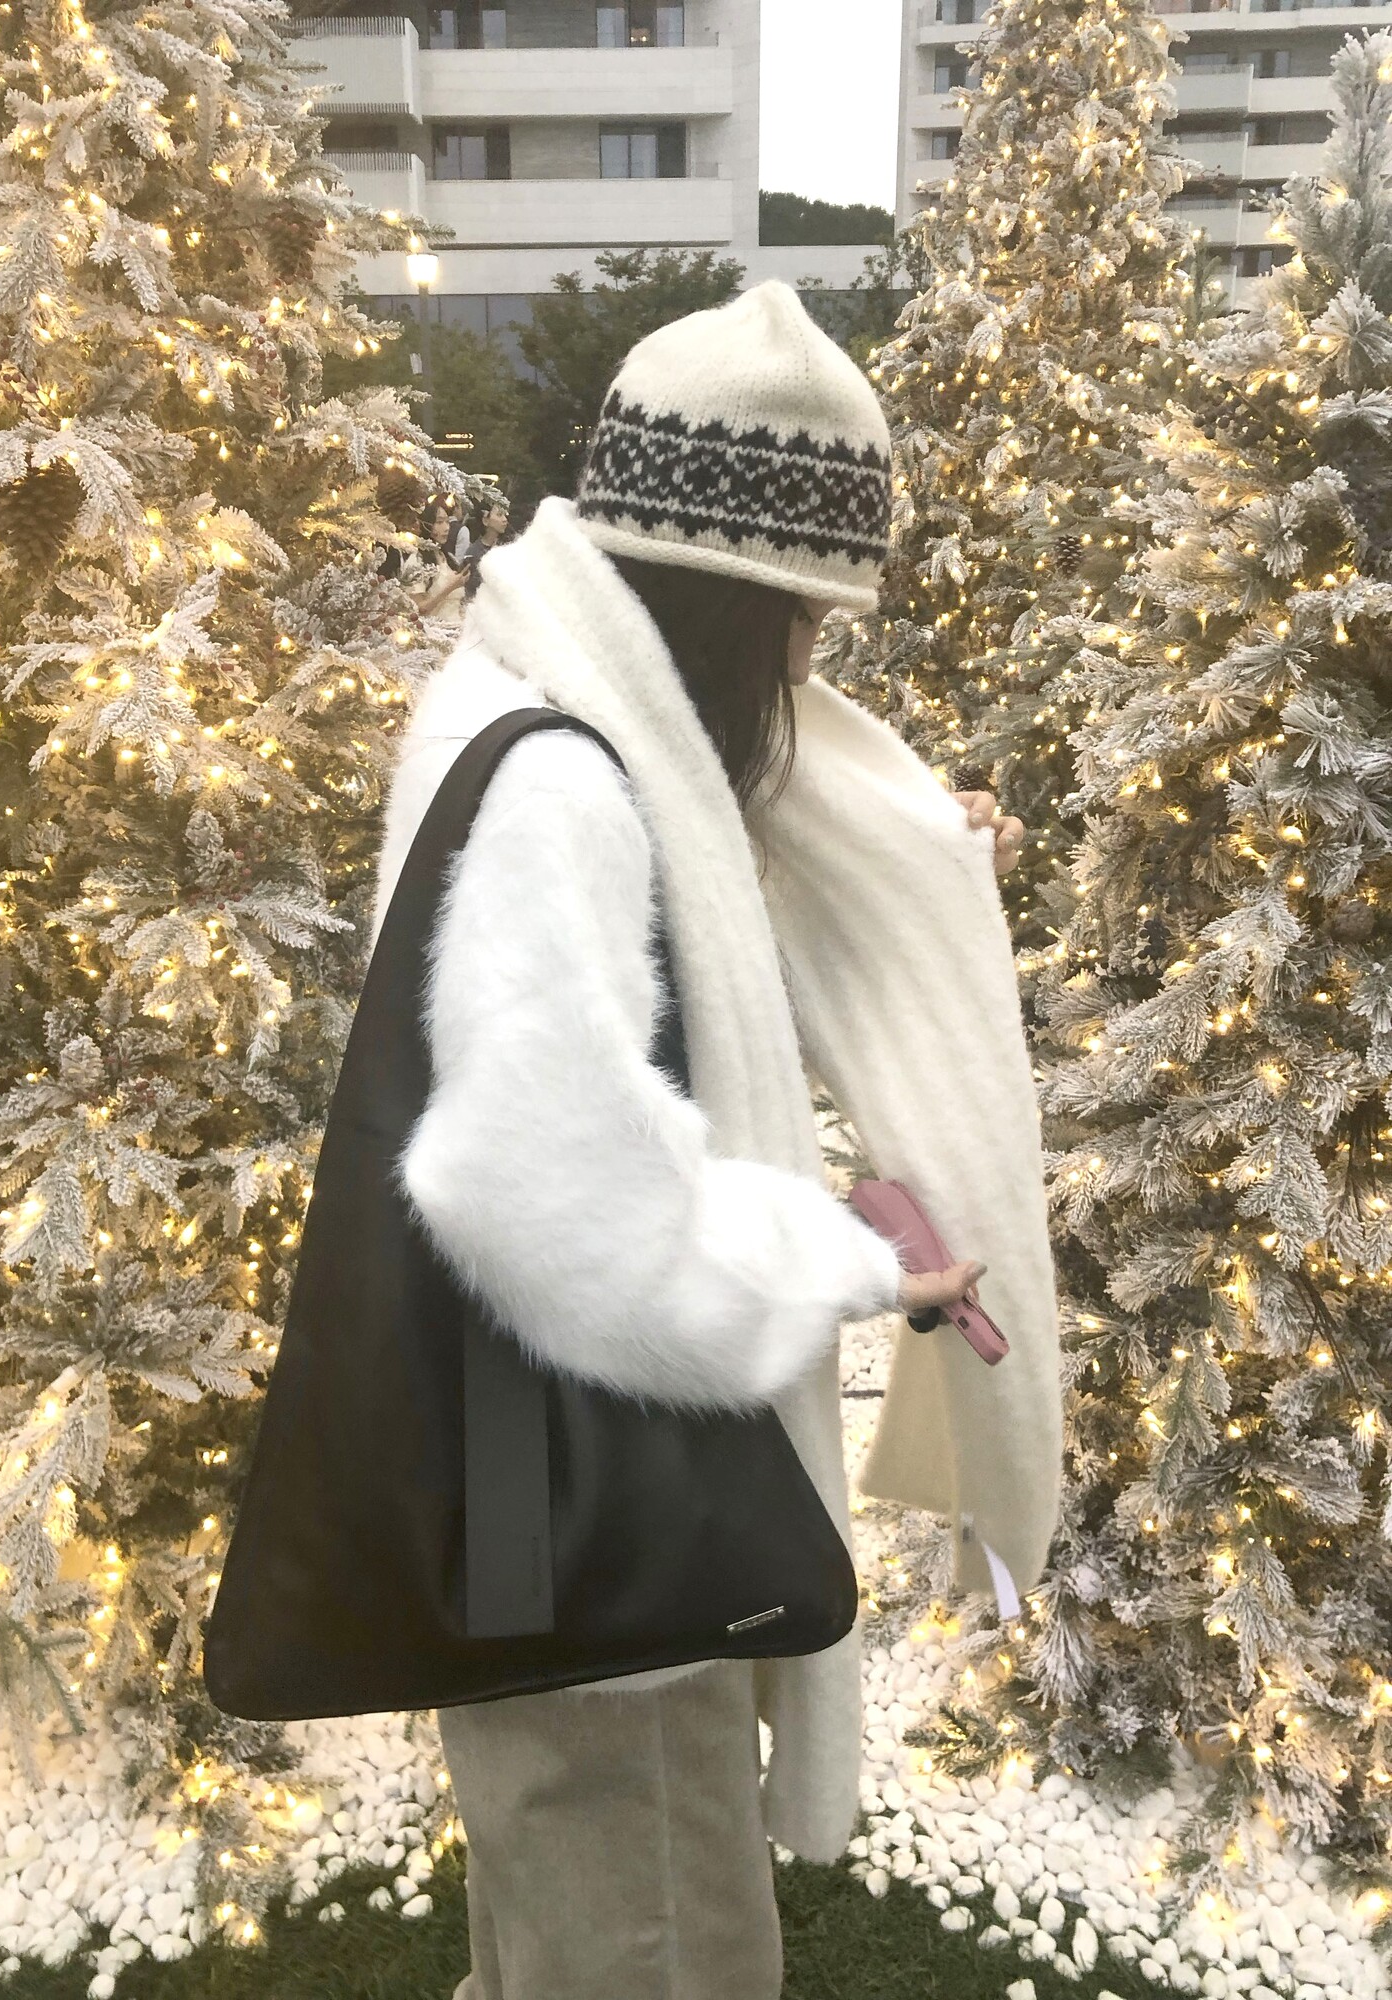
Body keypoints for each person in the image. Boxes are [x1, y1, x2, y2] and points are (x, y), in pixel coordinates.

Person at [370, 282, 1032, 2000]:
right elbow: (539, 1201)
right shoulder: (560, 788)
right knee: (656, 1948)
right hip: (606, 1540)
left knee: (565, 1936)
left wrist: (916, 859)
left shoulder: (540, 706)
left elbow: (661, 934)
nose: (812, 663)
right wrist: (848, 1260)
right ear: (721, 594)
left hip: (545, 1504)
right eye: (802, 617)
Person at [398, 500, 468, 624]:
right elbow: (418, 610)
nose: (446, 528)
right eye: (439, 522)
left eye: (447, 522)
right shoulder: (417, 561)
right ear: (426, 524)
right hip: (435, 628)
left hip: (458, 626)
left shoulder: (448, 557)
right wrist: (451, 587)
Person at [460, 498, 509, 603]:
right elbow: (471, 590)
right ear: (485, 520)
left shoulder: (508, 546)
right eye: (499, 515)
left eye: (505, 515)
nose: (505, 519)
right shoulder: (473, 554)